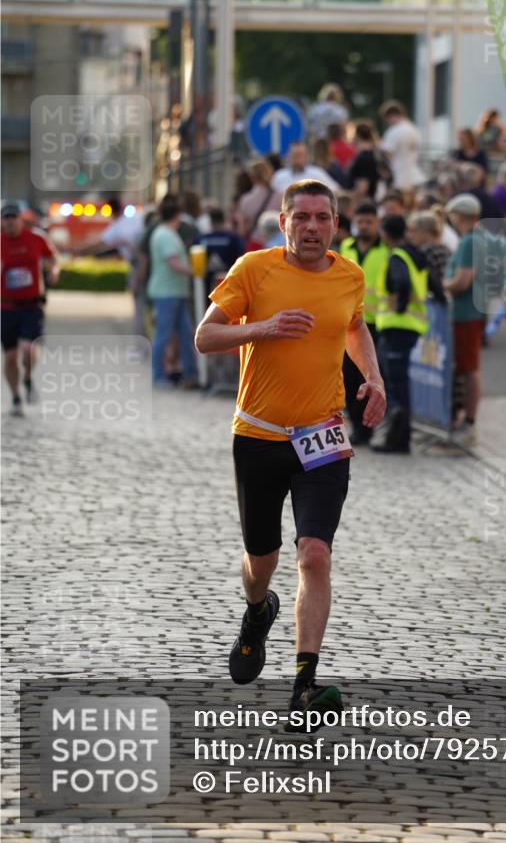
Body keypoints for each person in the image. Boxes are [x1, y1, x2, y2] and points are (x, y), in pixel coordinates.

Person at [194, 180, 386, 723]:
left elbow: (354, 326)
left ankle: (305, 684)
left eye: (322, 218)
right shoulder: (253, 270)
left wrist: (374, 377)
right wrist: (265, 328)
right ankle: (257, 611)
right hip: (257, 435)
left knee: (315, 554)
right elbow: (205, 338)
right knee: (262, 562)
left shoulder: (350, 274)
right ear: (282, 224)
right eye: (300, 217)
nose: (312, 227)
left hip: (322, 437)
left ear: (334, 224)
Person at [370, 215, 429, 454]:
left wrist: (400, 306)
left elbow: (403, 282)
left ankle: (397, 440)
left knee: (394, 388)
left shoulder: (397, 256)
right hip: (411, 327)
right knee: (400, 385)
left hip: (396, 325)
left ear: (385, 233)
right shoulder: (415, 254)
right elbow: (432, 284)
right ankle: (401, 439)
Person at [1, 202, 60, 416]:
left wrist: (54, 271)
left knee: (28, 349)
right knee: (9, 357)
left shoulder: (35, 238)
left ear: (20, 219)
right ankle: (16, 396)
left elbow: (53, 258)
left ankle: (27, 377)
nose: (9, 222)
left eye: (13, 217)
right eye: (5, 218)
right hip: (6, 306)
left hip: (32, 305)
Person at [339, 201, 390, 444]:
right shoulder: (345, 247)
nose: (364, 226)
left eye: (369, 222)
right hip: (348, 323)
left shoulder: (386, 251)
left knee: (370, 378)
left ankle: (370, 426)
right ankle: (358, 426)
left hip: (376, 323)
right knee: (349, 379)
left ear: (377, 223)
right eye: (360, 222)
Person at [443, 194, 487, 446]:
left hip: (466, 313)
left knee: (469, 369)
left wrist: (442, 285)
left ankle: (469, 422)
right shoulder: (473, 240)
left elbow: (462, 280)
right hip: (468, 313)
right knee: (467, 368)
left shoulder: (470, 241)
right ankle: (465, 419)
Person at [73, 197, 145, 336]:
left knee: (139, 307)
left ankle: (143, 345)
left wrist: (78, 250)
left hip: (137, 266)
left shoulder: (118, 227)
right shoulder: (137, 217)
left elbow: (99, 243)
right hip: (150, 264)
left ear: (111, 211)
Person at [147, 198, 198, 388]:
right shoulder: (166, 235)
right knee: (164, 335)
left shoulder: (163, 233)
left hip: (173, 291)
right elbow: (173, 262)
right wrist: (195, 272)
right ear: (176, 216)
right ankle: (159, 375)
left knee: (185, 334)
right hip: (167, 292)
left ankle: (190, 374)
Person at [379, 100, 425, 201]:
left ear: (391, 116)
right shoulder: (413, 129)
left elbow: (387, 152)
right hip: (413, 174)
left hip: (398, 176)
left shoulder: (394, 131)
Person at [199, 208, 245, 295]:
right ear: (224, 220)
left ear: (210, 221)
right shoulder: (233, 238)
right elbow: (241, 257)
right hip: (228, 283)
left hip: (205, 284)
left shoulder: (201, 239)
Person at [237, 158, 282, 240]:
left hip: (255, 244)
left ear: (252, 177)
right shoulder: (281, 197)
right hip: (275, 243)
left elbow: (242, 230)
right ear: (270, 174)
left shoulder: (245, 199)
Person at [272, 141, 341, 195]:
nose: (298, 159)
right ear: (288, 156)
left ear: (307, 156)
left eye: (300, 155)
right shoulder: (279, 176)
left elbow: (336, 191)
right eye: (295, 155)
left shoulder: (317, 174)